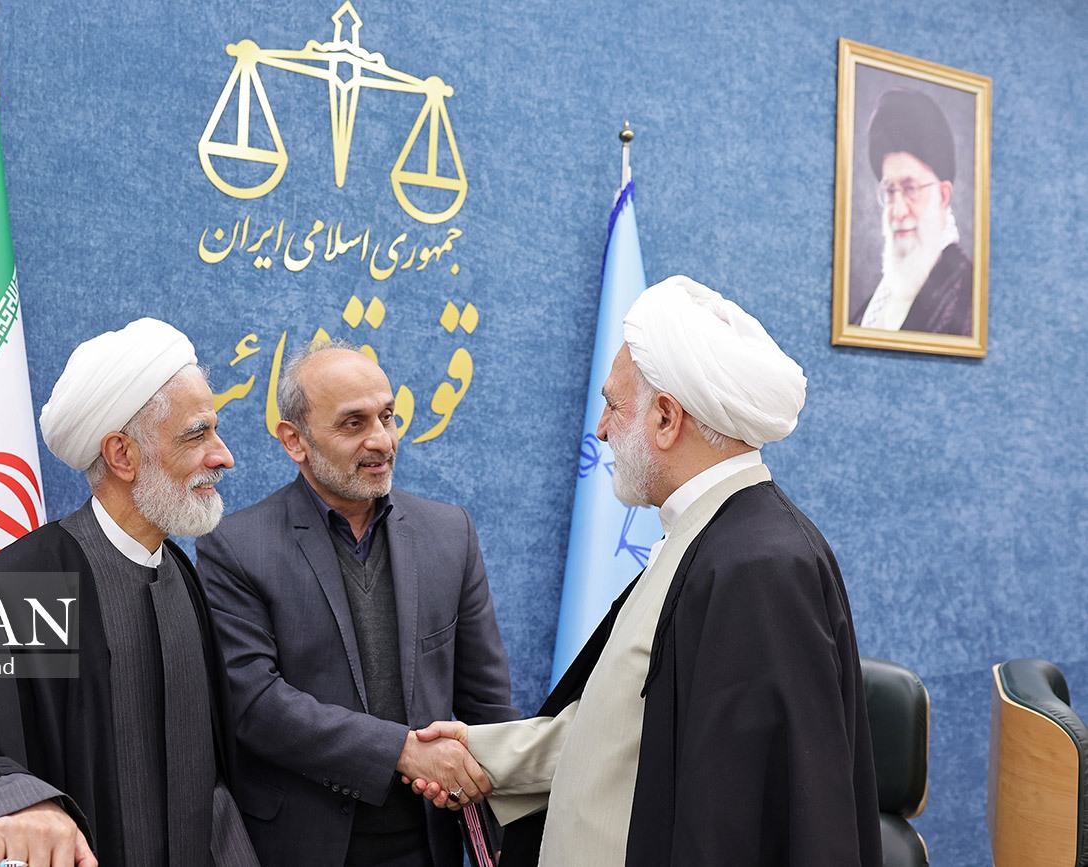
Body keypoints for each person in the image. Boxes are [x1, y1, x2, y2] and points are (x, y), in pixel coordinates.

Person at [411, 276, 882, 866]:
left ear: (665, 418)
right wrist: (484, 754)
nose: (601, 429)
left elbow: (738, 824)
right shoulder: (706, 539)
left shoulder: (760, 569)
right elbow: (633, 729)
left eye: (613, 405)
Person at [0, 318, 260, 867]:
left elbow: (211, 780)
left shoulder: (181, 574)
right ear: (122, 455)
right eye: (196, 434)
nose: (223, 456)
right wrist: (18, 800)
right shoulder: (30, 583)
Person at [197, 340, 517, 867]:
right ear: (295, 441)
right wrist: (401, 751)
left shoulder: (449, 533)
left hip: (428, 845)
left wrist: (508, 837)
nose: (381, 440)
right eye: (354, 423)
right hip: (299, 849)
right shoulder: (236, 546)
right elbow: (255, 705)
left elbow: (488, 707)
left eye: (387, 416)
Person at [854, 87, 973, 335]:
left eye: (911, 189)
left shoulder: (967, 294)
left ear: (943, 196)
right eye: (890, 191)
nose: (898, 211)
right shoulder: (878, 300)